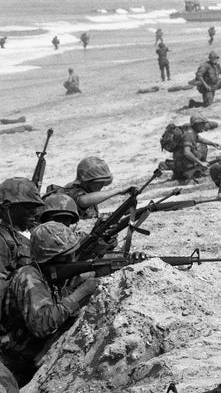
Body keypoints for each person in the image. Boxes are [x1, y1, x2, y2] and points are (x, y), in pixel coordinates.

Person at [0, 222, 98, 385]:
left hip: (30, 358)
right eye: (70, 255)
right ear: (55, 259)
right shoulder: (28, 277)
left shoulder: (51, 277)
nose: (74, 259)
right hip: (13, 364)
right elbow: (42, 324)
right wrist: (82, 293)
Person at [49, 156, 131, 220]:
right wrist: (118, 191)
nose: (100, 185)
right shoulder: (71, 191)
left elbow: (92, 217)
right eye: (97, 183)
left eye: (102, 182)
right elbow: (83, 201)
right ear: (85, 181)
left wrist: (123, 213)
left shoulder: (89, 192)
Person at [0, 178, 44, 282]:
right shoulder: (3, 240)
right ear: (7, 207)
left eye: (35, 206)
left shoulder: (38, 231)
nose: (34, 211)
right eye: (28, 206)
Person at [172, 116, 221, 184]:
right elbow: (186, 152)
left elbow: (200, 139)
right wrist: (201, 163)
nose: (204, 126)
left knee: (202, 145)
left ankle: (193, 169)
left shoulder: (190, 130)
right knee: (202, 147)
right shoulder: (189, 134)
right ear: (197, 125)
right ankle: (193, 171)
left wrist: (212, 144)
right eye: (203, 124)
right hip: (183, 163)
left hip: (179, 161)